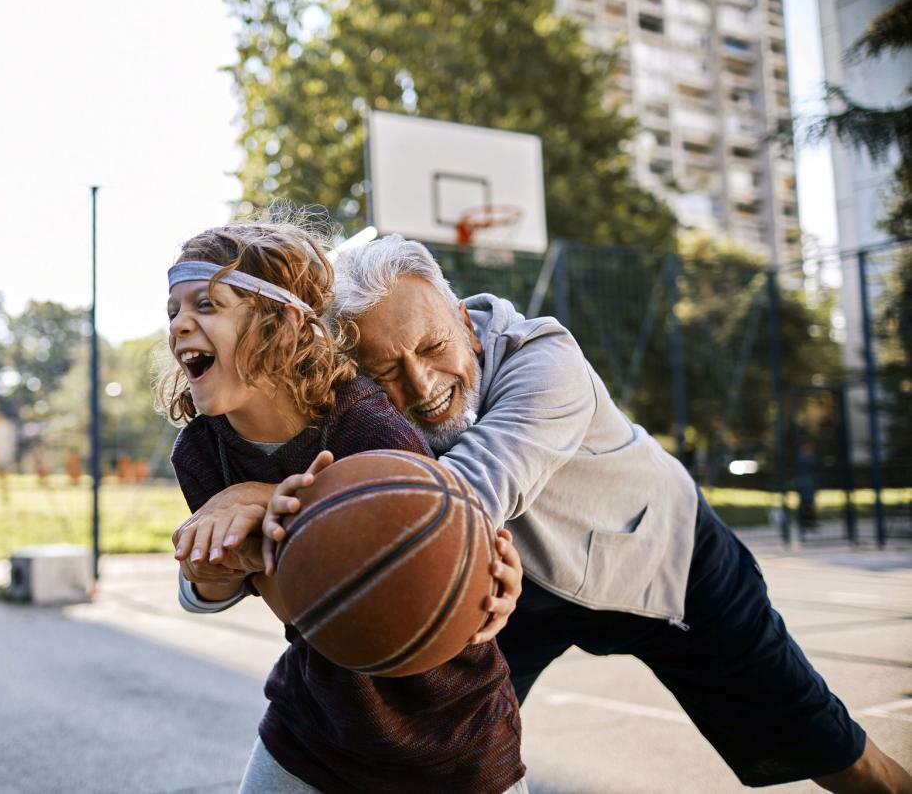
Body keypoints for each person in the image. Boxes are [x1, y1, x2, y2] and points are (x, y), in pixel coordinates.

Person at [310, 233, 909, 793]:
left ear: (465, 322)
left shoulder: (545, 361)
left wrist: (291, 508)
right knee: (425, 751)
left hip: (661, 559)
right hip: (518, 590)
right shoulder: (364, 404)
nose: (419, 384)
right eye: (385, 371)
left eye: (433, 347)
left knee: (831, 750)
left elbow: (462, 498)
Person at [160, 218, 527, 793]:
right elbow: (304, 615)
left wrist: (490, 573)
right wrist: (214, 573)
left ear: (276, 321)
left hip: (453, 736)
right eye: (172, 310)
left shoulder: (364, 422)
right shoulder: (202, 451)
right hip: (315, 731)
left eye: (206, 304)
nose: (180, 323)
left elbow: (445, 557)